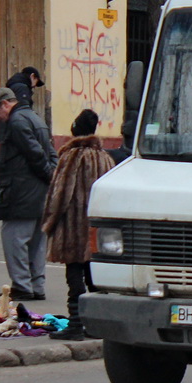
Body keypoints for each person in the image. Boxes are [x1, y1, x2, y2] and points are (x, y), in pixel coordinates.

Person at [42, 109, 115, 340]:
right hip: (96, 228)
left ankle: (75, 324)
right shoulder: (105, 157)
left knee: (74, 275)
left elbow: (60, 195)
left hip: (74, 227)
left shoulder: (72, 156)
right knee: (94, 277)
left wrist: (49, 223)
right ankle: (97, 324)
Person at [0, 87, 59, 301]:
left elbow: (35, 153)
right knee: (37, 242)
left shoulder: (16, 122)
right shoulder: (35, 118)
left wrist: (47, 174)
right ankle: (37, 285)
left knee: (14, 240)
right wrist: (52, 176)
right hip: (39, 194)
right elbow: (50, 151)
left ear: (4, 104)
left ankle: (22, 285)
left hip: (20, 193)